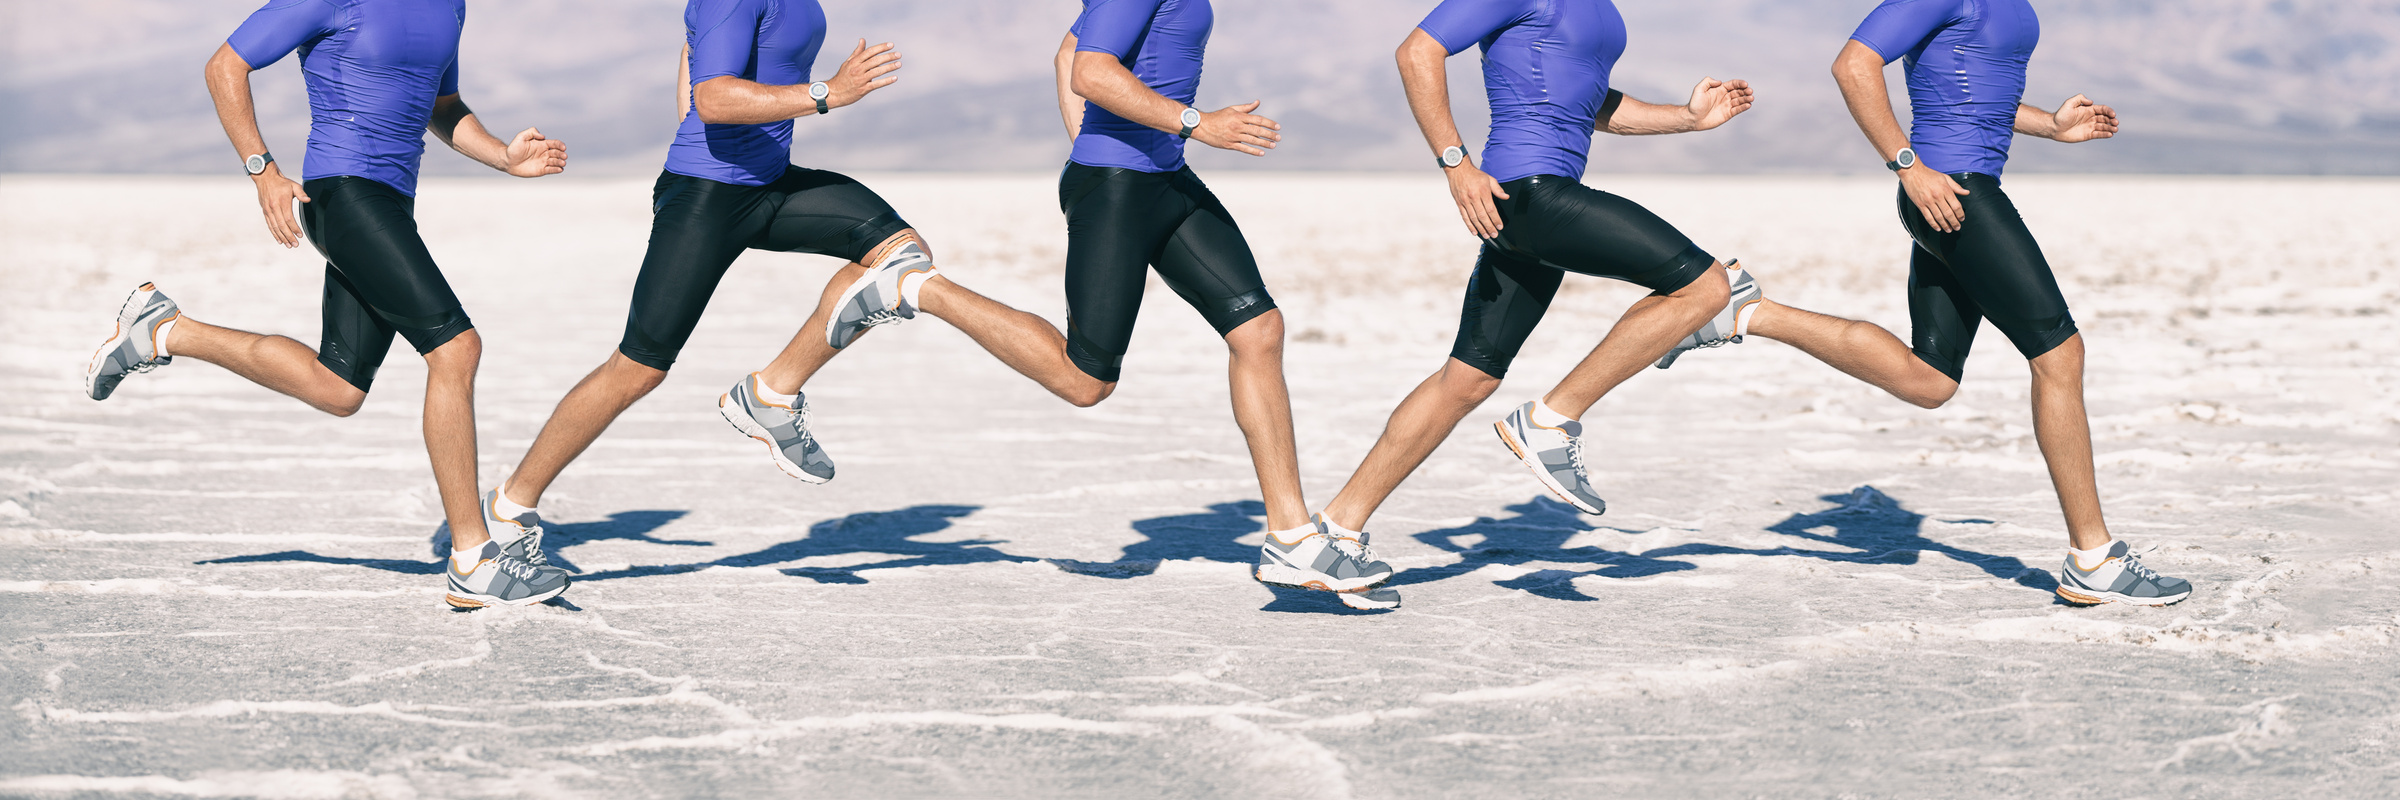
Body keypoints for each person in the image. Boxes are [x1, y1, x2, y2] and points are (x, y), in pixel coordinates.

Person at [1657, 0, 2192, 606]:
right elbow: (1853, 64)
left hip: (1956, 191)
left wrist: (2050, 125)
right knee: (2059, 354)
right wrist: (1909, 167)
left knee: (1930, 380)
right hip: (1953, 191)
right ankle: (2092, 558)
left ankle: (1746, 311)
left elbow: (1966, 92)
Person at [83, 0, 573, 609]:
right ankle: (472, 558)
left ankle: (165, 332)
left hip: (389, 204)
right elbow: (225, 65)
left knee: (337, 388)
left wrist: (502, 155)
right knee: (456, 349)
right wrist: (262, 170)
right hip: (343, 195)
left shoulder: (450, 5)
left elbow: (441, 105)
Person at [1311, 0, 1755, 568]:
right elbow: (1417, 50)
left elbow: (1587, 102)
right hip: (1531, 194)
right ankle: (1548, 419)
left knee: (1465, 381)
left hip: (1524, 208)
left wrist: (1686, 118)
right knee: (1706, 287)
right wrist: (1456, 164)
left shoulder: (1602, 10)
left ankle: (1334, 533)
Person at [1053, 0, 1396, 608]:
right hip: (1117, 187)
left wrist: (1127, 140)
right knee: (1084, 380)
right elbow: (1089, 70)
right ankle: (922, 289)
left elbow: (1067, 49)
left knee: (1258, 330)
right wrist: (1192, 123)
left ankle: (1290, 538)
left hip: (1164, 180)